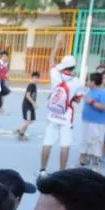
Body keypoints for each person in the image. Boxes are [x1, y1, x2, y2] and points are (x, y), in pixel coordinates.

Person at [39, 47, 84, 177]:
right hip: (66, 115)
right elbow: (78, 99)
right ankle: (61, 172)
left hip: (53, 114)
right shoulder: (77, 82)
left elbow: (51, 61)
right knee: (65, 144)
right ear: (73, 67)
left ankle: (42, 170)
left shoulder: (55, 74)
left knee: (47, 142)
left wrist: (57, 45)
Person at [78, 72, 105, 169]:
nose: (87, 82)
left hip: (97, 123)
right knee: (84, 140)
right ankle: (82, 161)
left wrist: (92, 102)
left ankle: (95, 162)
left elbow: (103, 107)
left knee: (96, 141)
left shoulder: (103, 93)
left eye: (89, 80)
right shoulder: (88, 91)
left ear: (93, 82)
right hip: (86, 121)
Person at [15, 71, 39, 141]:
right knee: (28, 121)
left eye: (37, 78)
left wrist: (33, 104)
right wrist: (33, 103)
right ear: (32, 78)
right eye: (34, 78)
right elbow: (27, 95)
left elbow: (33, 96)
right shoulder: (31, 85)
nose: (36, 79)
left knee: (32, 120)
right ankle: (21, 133)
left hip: (31, 106)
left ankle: (20, 131)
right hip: (27, 106)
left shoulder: (34, 85)